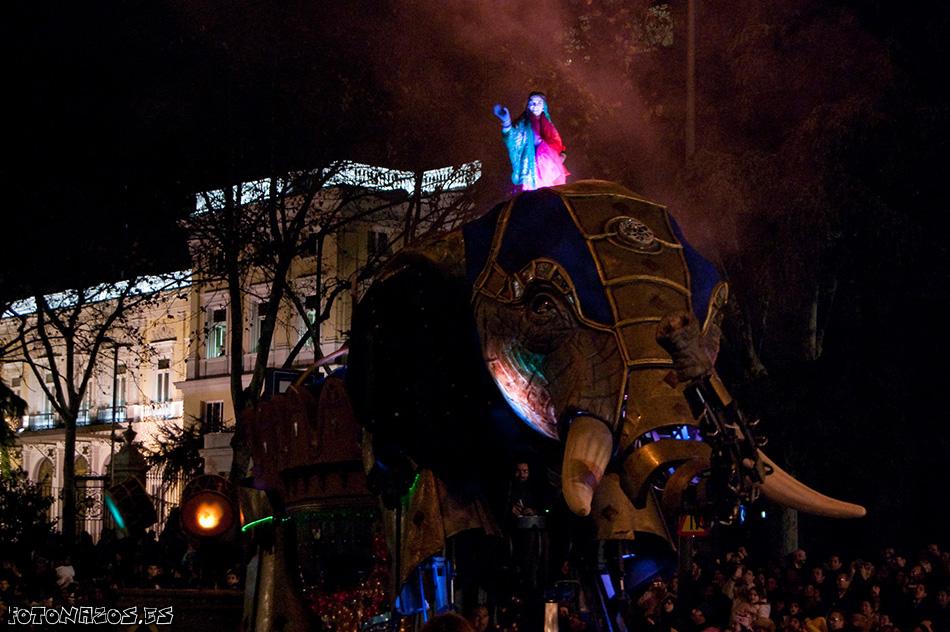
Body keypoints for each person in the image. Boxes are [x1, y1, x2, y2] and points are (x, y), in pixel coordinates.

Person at [493, 92, 569, 192]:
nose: (535, 106)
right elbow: (512, 138)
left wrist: (558, 154)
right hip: (530, 168)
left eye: (539, 103)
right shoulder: (522, 123)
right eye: (532, 103)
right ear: (528, 106)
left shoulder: (547, 123)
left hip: (548, 168)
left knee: (550, 195)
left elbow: (555, 141)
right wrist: (506, 123)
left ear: (543, 107)